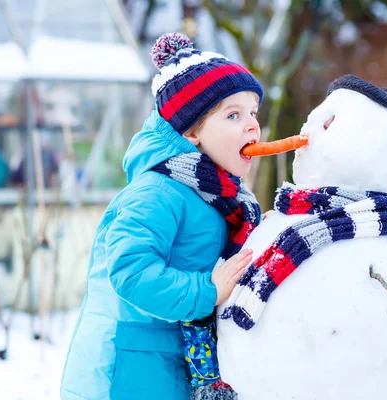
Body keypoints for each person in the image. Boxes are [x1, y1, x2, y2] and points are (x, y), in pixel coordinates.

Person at [60, 32, 263, 400]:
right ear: (192, 131)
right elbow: (130, 270)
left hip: (176, 364)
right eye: (233, 115)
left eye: (253, 113)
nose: (252, 125)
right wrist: (207, 291)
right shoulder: (157, 191)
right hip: (134, 371)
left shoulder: (223, 196)